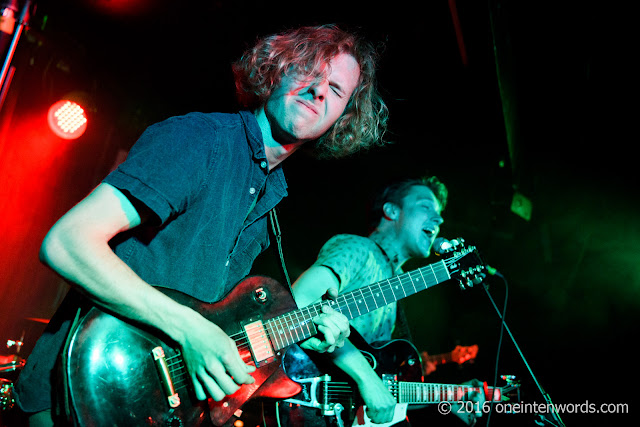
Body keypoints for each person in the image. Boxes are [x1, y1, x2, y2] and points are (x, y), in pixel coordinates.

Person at [12, 24, 389, 426]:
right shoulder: (202, 140)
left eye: (335, 90)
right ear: (277, 70)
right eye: (310, 71)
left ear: (341, 118)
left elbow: (217, 325)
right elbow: (67, 243)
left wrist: (299, 333)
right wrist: (189, 329)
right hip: (75, 394)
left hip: (148, 407)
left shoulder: (268, 198)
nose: (318, 90)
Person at [285, 176, 448, 426]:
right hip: (306, 395)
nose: (439, 220)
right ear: (392, 211)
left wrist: (456, 398)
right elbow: (299, 302)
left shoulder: (396, 281)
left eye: (439, 213)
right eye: (426, 207)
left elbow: (380, 375)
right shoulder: (360, 249)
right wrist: (368, 379)